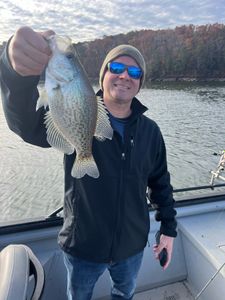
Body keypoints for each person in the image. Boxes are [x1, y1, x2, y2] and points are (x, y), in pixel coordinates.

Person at [0, 26, 177, 300]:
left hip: (131, 246)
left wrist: (168, 229)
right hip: (82, 246)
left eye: (134, 72)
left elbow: (160, 183)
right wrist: (14, 73)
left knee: (124, 293)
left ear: (140, 82)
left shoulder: (150, 131)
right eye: (116, 67)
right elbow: (26, 125)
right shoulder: (74, 103)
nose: (124, 75)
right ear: (103, 74)